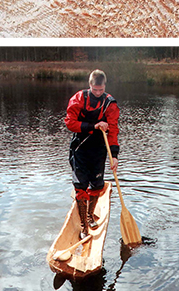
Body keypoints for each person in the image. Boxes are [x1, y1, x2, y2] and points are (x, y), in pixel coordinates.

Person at [65, 69, 120, 239]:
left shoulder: (110, 104)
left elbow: (113, 131)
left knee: (97, 185)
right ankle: (83, 225)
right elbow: (70, 123)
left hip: (98, 149)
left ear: (104, 86)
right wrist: (94, 126)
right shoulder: (79, 99)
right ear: (90, 86)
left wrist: (115, 155)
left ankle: (90, 215)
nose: (97, 93)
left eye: (100, 90)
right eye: (95, 90)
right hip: (80, 148)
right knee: (80, 186)